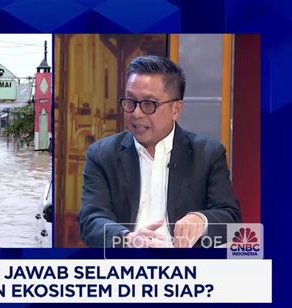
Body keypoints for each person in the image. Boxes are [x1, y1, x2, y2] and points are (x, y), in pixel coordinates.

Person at [77, 55, 241, 249]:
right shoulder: (102, 154)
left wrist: (201, 219)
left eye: (148, 104)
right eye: (130, 101)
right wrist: (126, 239)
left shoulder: (207, 154)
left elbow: (230, 217)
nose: (136, 113)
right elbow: (91, 219)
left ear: (175, 109)